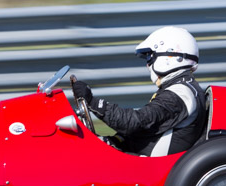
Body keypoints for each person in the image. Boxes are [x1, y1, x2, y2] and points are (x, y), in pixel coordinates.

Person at [71, 26, 206, 157]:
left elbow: (136, 122)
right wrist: (114, 141)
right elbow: (145, 131)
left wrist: (93, 103)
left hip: (151, 171)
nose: (148, 65)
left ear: (171, 57)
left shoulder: (181, 93)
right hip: (143, 160)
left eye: (150, 57)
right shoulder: (184, 88)